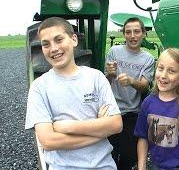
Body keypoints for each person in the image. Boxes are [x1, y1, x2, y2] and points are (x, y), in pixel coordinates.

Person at [25, 17, 123, 170]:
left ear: (74, 39)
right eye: (46, 44)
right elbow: (48, 141)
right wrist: (100, 131)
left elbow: (116, 125)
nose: (53, 49)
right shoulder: (39, 87)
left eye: (59, 40)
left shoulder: (96, 77)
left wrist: (66, 127)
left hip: (104, 166)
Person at [134, 48, 179, 170]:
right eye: (160, 68)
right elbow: (143, 138)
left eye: (171, 71)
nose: (163, 75)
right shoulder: (148, 102)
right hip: (154, 166)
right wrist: (142, 167)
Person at [105, 17, 155, 170]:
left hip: (132, 113)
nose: (132, 36)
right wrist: (111, 74)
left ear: (143, 34)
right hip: (111, 112)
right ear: (124, 34)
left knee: (129, 156)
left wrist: (131, 81)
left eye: (136, 32)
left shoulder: (148, 59)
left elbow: (145, 87)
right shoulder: (114, 51)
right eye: (128, 32)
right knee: (108, 154)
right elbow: (104, 83)